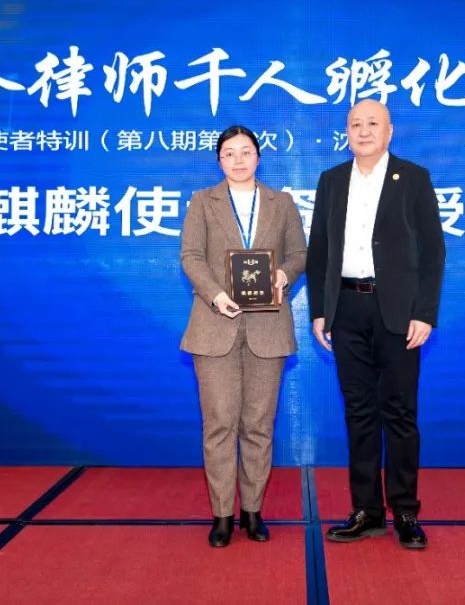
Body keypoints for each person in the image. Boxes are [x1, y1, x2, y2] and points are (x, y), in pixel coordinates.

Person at [306, 99, 446, 550]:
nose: (363, 131)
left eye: (372, 123)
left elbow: (433, 251)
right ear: (346, 133)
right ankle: (366, 511)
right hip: (347, 309)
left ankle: (405, 511)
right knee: (359, 413)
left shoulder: (414, 178)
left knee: (400, 414)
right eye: (355, 124)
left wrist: (424, 312)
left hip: (399, 313)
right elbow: (319, 250)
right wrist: (320, 309)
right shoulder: (331, 181)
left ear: (389, 131)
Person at [180, 125, 308, 547]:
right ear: (219, 161)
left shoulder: (281, 203)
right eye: (229, 153)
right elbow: (191, 257)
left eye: (246, 151)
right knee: (219, 425)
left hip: (267, 329)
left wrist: (283, 275)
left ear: (258, 157)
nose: (238, 160)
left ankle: (252, 511)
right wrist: (216, 295)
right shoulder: (203, 202)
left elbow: (299, 254)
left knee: (258, 425)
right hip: (214, 326)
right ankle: (222, 514)